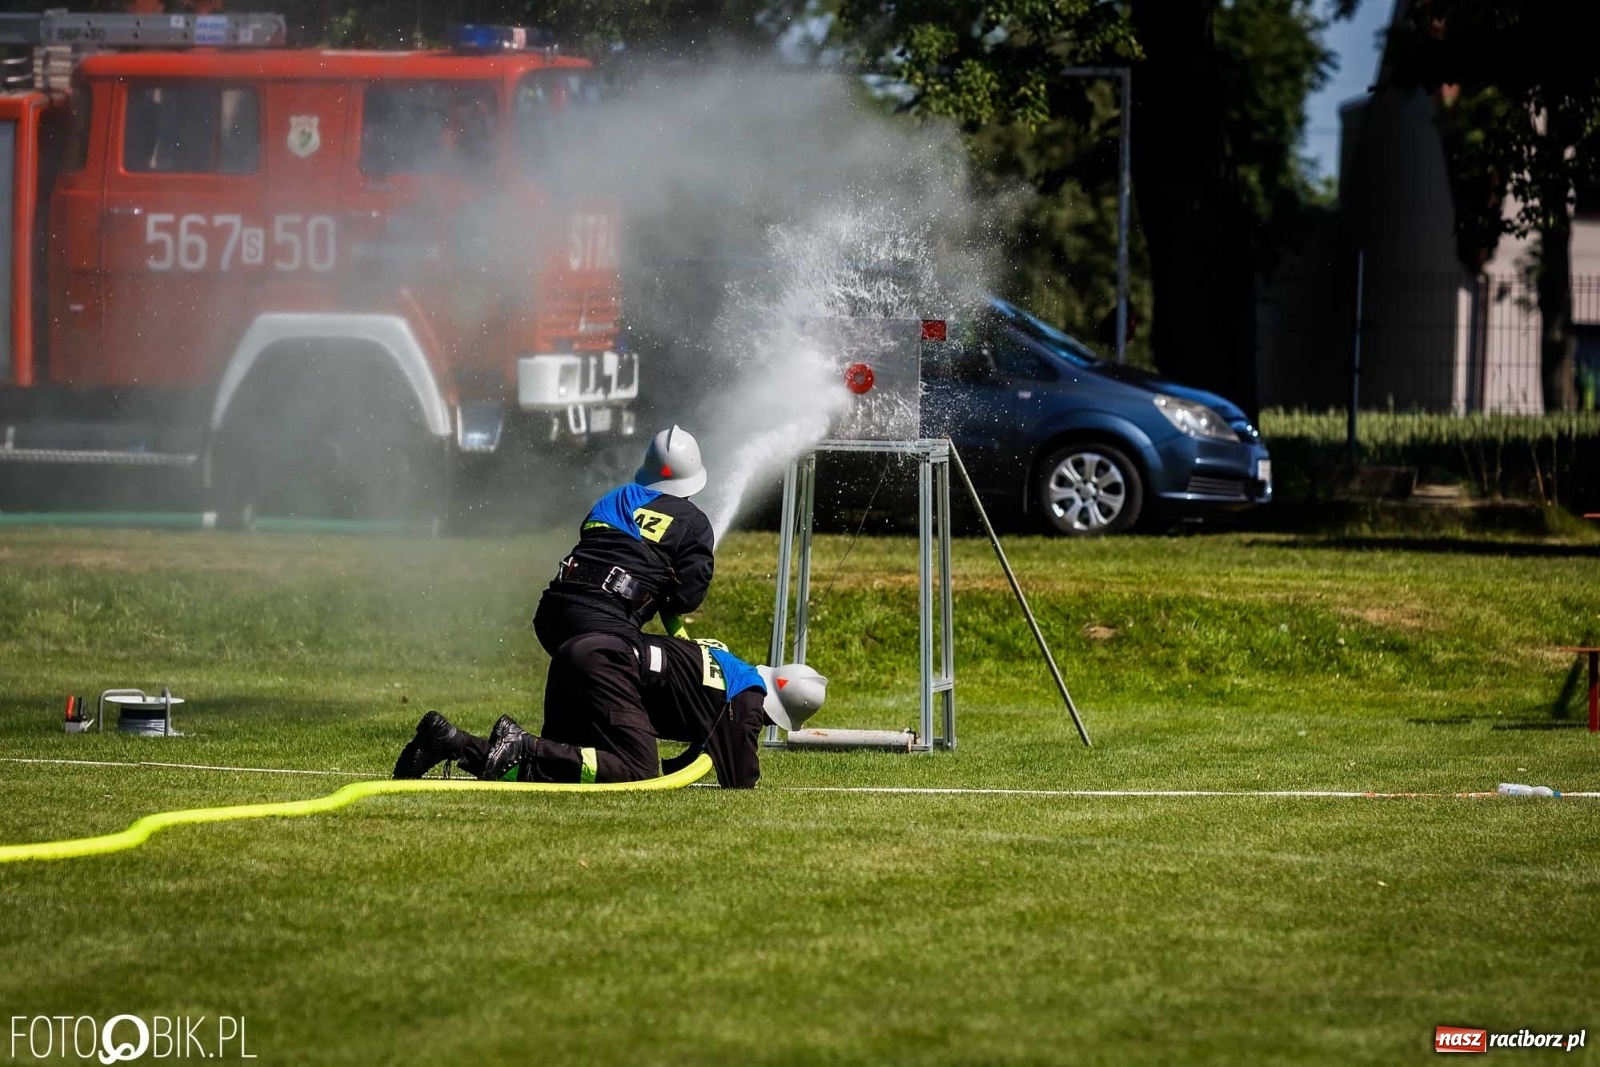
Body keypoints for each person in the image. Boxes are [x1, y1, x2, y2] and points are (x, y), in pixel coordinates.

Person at [392, 635, 826, 789]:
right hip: (610, 668)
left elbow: (694, 751)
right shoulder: (747, 697)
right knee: (638, 771)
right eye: (769, 720)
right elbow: (740, 779)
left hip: (583, 652)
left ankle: (452, 743)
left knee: (555, 776)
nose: (761, 724)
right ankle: (523, 743)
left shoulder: (731, 670)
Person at [532, 425, 715, 656]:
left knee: (576, 672)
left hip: (553, 611)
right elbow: (686, 599)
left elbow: (591, 541)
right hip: (607, 626)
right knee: (664, 670)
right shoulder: (694, 521)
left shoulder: (615, 497)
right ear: (693, 478)